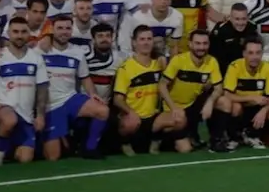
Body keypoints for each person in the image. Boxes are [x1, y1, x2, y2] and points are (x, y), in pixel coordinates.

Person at [42, 15, 110, 161]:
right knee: (53, 157)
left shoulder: (78, 52)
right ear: (52, 30)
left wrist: (92, 93)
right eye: (60, 28)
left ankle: (90, 148)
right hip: (50, 106)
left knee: (102, 110)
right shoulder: (41, 50)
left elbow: (84, 77)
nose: (64, 31)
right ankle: (63, 139)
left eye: (68, 28)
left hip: (70, 99)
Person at [0, 17, 49, 166]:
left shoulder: (36, 58)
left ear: (29, 34)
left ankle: (1, 143)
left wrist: (40, 115)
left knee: (25, 159)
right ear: (9, 34)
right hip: (5, 108)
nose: (19, 35)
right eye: (16, 32)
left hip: (26, 116)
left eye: (23, 32)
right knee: (10, 120)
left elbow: (42, 88)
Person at [113, 25, 186, 156]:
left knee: (180, 118)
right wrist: (130, 112)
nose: (146, 43)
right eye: (142, 39)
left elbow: (168, 86)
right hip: (135, 117)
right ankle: (125, 143)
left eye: (149, 39)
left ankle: (155, 141)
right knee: (130, 122)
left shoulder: (158, 64)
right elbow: (117, 99)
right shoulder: (126, 68)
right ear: (134, 42)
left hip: (153, 118)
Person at [161, 30, 225, 152]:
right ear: (190, 44)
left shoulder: (212, 61)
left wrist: (210, 102)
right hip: (174, 109)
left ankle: (217, 140)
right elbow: (162, 85)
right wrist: (173, 107)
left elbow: (219, 88)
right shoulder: (178, 60)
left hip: (192, 106)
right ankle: (168, 138)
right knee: (185, 149)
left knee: (223, 102)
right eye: (198, 43)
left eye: (205, 43)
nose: (201, 47)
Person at [216, 37, 269, 149]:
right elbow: (227, 95)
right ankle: (233, 137)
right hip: (241, 107)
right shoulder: (234, 66)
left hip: (257, 108)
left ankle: (254, 136)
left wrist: (264, 110)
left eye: (258, 53)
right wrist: (252, 97)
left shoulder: (267, 68)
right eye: (250, 53)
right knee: (234, 107)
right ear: (244, 54)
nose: (254, 57)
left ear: (262, 54)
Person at [86, 23, 131, 155]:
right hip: (86, 104)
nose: (104, 39)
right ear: (93, 39)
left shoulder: (121, 57)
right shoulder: (83, 56)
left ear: (113, 38)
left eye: (107, 36)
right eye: (100, 36)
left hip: (108, 104)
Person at [117, 0, 184, 57]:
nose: (163, 1)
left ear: (170, 0)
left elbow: (174, 46)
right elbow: (132, 43)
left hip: (164, 55)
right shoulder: (138, 17)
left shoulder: (177, 17)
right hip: (141, 56)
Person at [209, 3, 260, 74]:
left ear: (248, 18)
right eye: (237, 19)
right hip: (225, 71)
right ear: (230, 18)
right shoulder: (221, 30)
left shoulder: (252, 28)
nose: (240, 23)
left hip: (247, 71)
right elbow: (213, 57)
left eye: (244, 19)